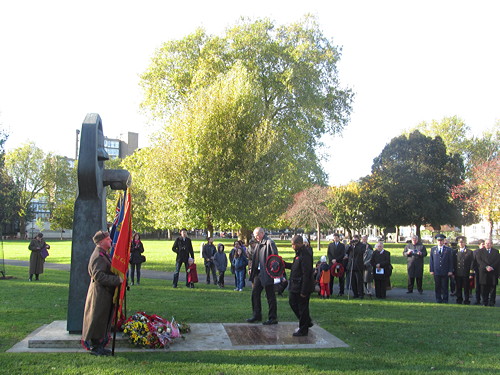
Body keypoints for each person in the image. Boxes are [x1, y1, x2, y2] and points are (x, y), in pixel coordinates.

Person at [82, 230, 123, 356]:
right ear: (101, 242)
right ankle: (95, 346)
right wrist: (117, 280)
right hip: (99, 293)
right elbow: (99, 276)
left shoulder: (103, 254)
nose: (111, 240)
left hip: (104, 292)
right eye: (108, 239)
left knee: (102, 318)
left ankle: (99, 344)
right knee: (97, 318)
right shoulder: (98, 256)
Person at [247, 227, 279, 325]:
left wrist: (273, 272)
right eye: (254, 235)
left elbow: (275, 258)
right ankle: (257, 315)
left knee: (270, 296)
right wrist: (251, 268)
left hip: (268, 274)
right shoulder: (258, 243)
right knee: (255, 293)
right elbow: (254, 258)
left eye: (257, 235)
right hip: (259, 273)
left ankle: (273, 318)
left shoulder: (270, 243)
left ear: (262, 233)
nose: (255, 237)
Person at [284, 235, 314, 336]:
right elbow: (295, 266)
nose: (292, 246)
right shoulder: (298, 254)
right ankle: (306, 321)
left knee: (302, 307)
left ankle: (303, 328)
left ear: (299, 243)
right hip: (295, 284)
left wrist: (304, 291)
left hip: (301, 285)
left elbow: (306, 273)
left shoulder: (305, 254)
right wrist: (284, 264)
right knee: (292, 303)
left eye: (294, 244)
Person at [429, 234, 454, 303]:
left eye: (441, 241)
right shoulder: (433, 249)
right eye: (438, 241)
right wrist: (431, 270)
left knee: (445, 286)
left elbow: (450, 261)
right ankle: (438, 299)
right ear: (436, 241)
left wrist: (450, 270)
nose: (440, 242)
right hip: (436, 271)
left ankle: (445, 299)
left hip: (445, 271)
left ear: (443, 241)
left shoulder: (448, 250)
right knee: (437, 286)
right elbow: (431, 260)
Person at [475, 239, 500, 306]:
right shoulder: (480, 251)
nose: (487, 244)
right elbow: (479, 260)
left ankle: (492, 302)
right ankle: (485, 302)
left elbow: (498, 261)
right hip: (484, 272)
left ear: (492, 244)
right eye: (486, 243)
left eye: (489, 243)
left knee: (492, 288)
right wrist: (486, 267)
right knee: (484, 289)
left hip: (493, 272)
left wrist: (491, 267)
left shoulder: (496, 251)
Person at [454, 236, 474, 304]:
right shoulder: (455, 251)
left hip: (466, 272)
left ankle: (466, 299)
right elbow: (453, 262)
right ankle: (459, 299)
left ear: (465, 243)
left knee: (466, 287)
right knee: (458, 287)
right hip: (458, 272)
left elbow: (472, 262)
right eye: (459, 242)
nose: (461, 244)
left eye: (462, 242)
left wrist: (471, 273)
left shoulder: (469, 252)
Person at [346, 234, 365, 299]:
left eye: (356, 239)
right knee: (353, 281)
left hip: (358, 266)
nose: (355, 240)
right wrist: (350, 245)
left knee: (359, 281)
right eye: (354, 239)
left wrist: (355, 246)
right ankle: (355, 294)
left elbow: (361, 252)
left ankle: (361, 294)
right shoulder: (351, 246)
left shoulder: (362, 245)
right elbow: (347, 252)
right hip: (351, 265)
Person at [472, 240, 485, 305]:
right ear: (479, 245)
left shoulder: (486, 252)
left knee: (484, 286)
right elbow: (473, 262)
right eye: (482, 244)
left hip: (485, 272)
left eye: (484, 244)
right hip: (477, 271)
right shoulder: (475, 252)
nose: (483, 246)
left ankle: (484, 299)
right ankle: (477, 299)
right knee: (477, 286)